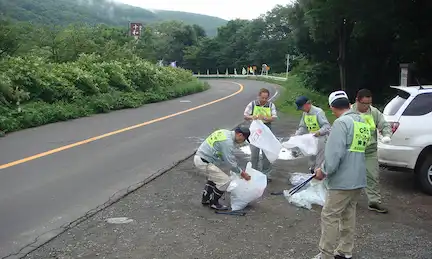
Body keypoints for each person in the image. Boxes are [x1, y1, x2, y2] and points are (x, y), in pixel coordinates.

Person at [312, 90, 371, 259]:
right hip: (358, 177)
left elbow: (334, 155)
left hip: (342, 181)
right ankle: (345, 251)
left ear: (332, 107)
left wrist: (322, 171)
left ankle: (326, 254)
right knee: (348, 214)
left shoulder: (341, 123)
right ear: (348, 104)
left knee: (330, 215)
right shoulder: (361, 121)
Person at [350, 88, 392, 213]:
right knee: (352, 176)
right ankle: (349, 200)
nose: (367, 106)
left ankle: (374, 202)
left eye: (369, 103)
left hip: (370, 150)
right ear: (357, 100)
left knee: (373, 175)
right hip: (353, 150)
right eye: (364, 103)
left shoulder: (374, 112)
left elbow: (384, 125)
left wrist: (386, 135)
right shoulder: (349, 113)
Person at [194, 127, 252, 210]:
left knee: (215, 177)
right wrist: (242, 173)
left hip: (200, 157)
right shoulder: (227, 142)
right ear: (240, 135)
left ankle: (205, 199)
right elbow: (230, 162)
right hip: (204, 161)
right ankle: (213, 203)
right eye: (244, 139)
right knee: (225, 181)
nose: (243, 141)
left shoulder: (225, 133)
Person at [244, 88, 278, 182]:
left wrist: (266, 118)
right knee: (254, 154)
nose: (264, 100)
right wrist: (252, 117)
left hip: (266, 131)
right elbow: (245, 115)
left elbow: (274, 117)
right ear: (259, 96)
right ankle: (253, 173)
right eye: (262, 98)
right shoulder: (252, 104)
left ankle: (266, 174)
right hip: (255, 131)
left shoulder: (271, 105)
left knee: (266, 154)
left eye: (266, 98)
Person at [294, 96, 331, 170]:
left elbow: (326, 126)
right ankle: (313, 171)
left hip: (321, 138)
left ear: (307, 104)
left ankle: (319, 174)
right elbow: (303, 127)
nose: (302, 110)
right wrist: (297, 134)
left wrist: (319, 132)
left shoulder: (318, 112)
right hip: (312, 138)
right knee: (312, 158)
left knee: (320, 160)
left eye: (302, 108)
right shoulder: (305, 113)